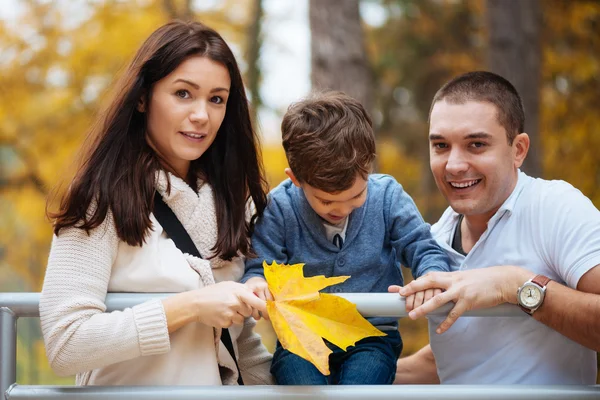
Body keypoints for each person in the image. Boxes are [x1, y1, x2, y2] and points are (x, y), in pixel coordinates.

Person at [39, 20, 273, 386]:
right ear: (144, 97)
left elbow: (238, 350)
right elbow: (65, 342)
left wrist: (369, 380)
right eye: (183, 93)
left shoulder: (232, 204)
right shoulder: (100, 199)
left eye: (216, 99)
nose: (201, 115)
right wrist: (191, 307)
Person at [391, 71, 600, 384]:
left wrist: (514, 285)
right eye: (441, 146)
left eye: (476, 144)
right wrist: (353, 374)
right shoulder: (433, 240)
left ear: (518, 150)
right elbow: (459, 359)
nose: (454, 165)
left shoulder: (554, 206)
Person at [243, 92, 450, 385]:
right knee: (300, 383)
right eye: (326, 202)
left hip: (371, 335)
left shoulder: (387, 197)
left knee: (360, 387)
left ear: (368, 168)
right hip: (302, 336)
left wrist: (431, 274)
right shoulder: (279, 208)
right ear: (296, 179)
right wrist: (256, 283)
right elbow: (258, 266)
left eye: (355, 196)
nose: (340, 209)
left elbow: (422, 246)